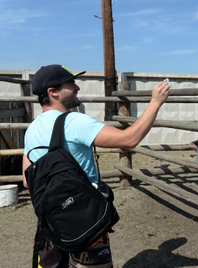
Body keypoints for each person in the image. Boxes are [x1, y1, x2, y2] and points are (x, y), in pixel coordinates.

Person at [22, 64, 169, 268]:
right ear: (53, 92)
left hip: (53, 223)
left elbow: (27, 181)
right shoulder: (74, 122)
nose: (77, 87)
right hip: (85, 219)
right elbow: (129, 139)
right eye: (70, 83)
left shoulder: (32, 129)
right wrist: (155, 102)